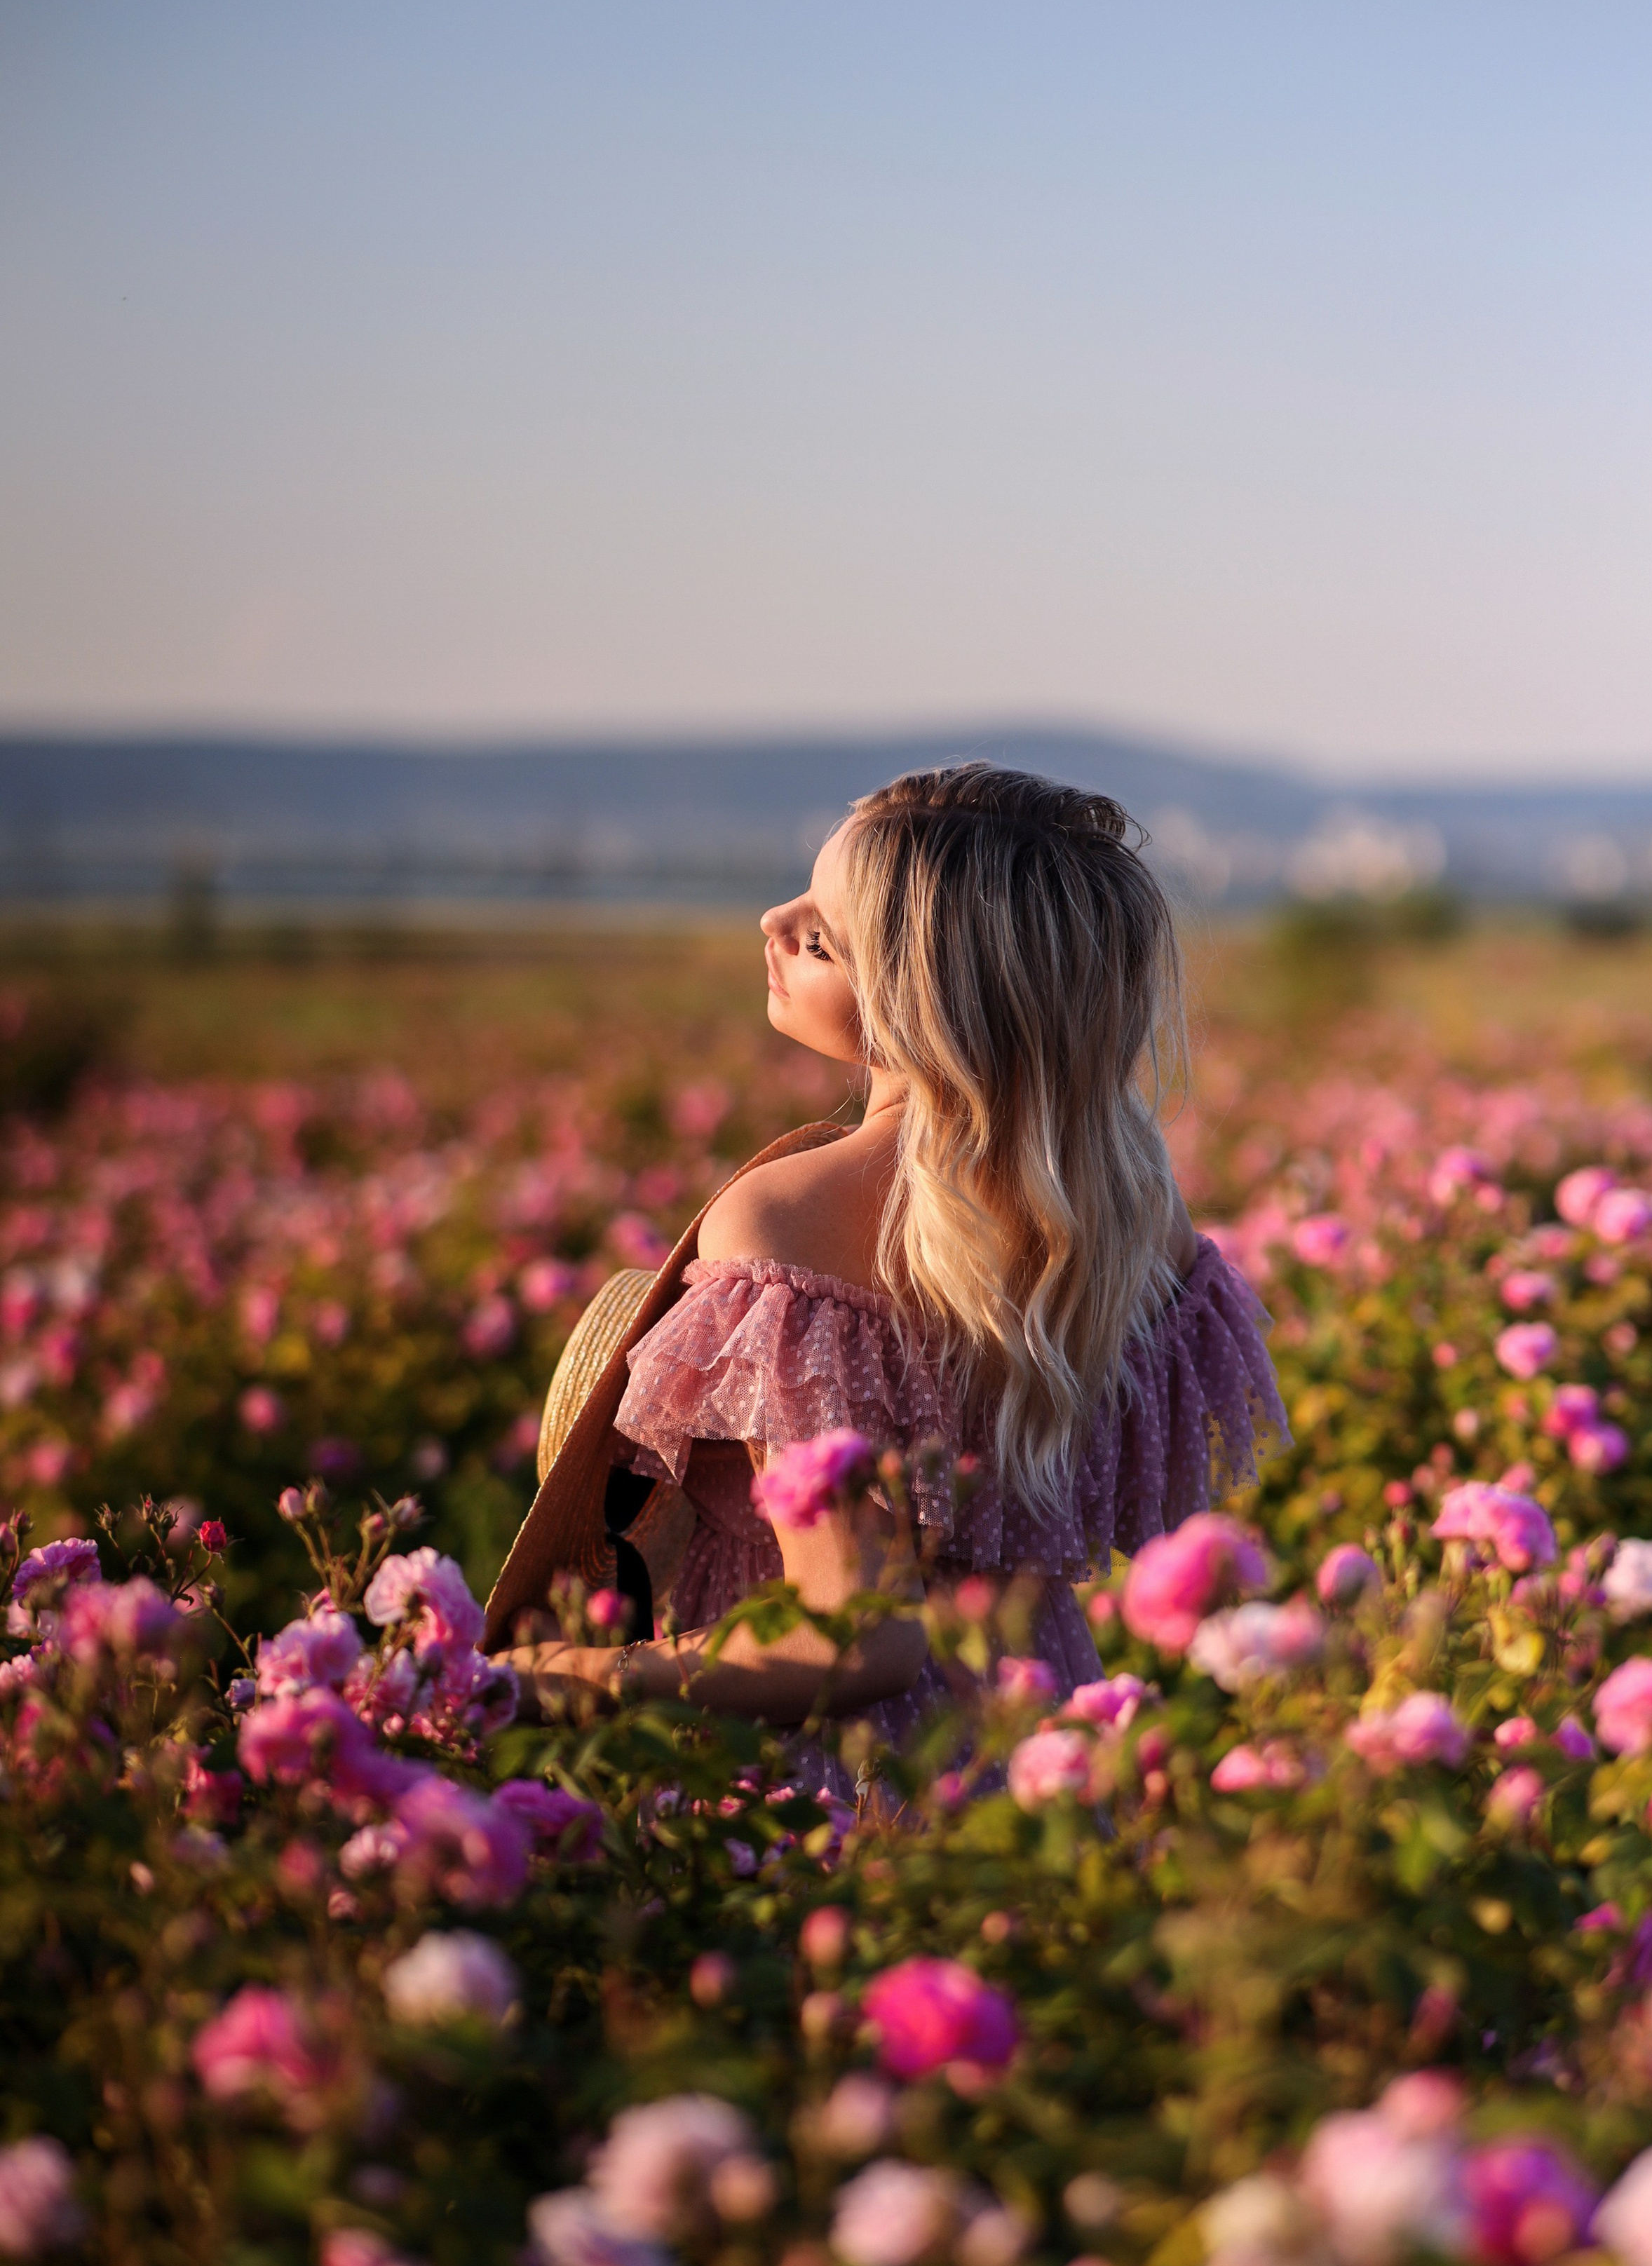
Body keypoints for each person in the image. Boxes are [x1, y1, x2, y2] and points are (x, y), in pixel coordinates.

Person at [494, 764, 1285, 1782]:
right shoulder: (1135, 1216)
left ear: (927, 1005)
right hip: (1024, 1760)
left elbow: (855, 1635)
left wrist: (568, 1675)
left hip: (827, 1778)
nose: (770, 920)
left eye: (818, 937)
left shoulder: (783, 1216)